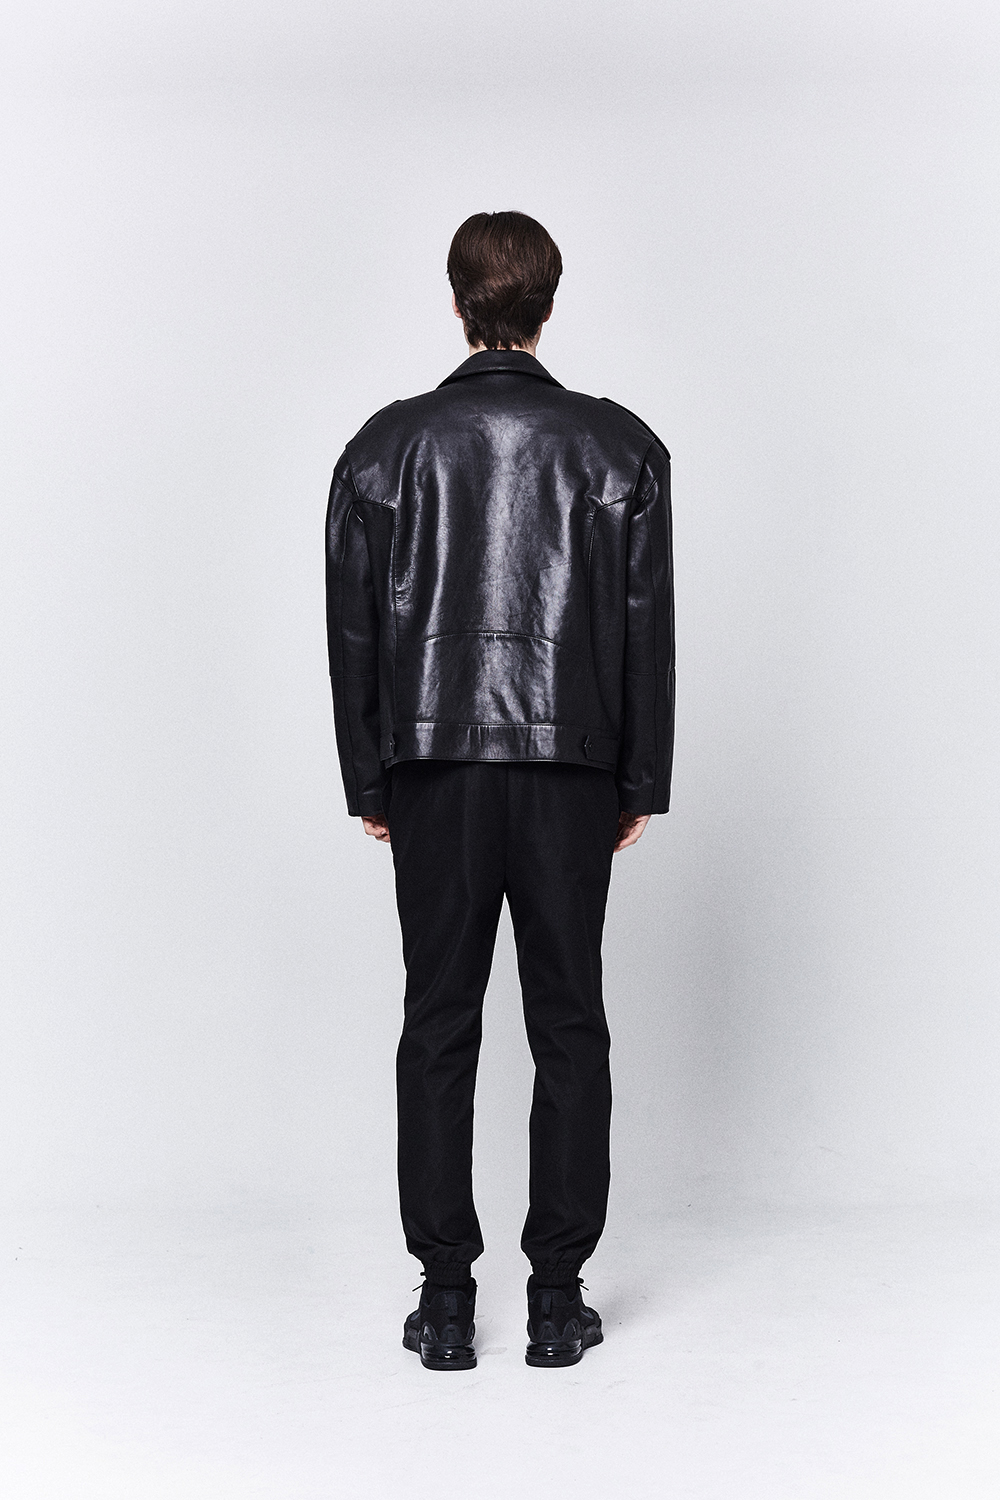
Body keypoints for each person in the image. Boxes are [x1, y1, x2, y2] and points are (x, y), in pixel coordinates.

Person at [325, 211, 674, 1370]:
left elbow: (353, 631)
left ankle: (443, 1303)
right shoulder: (619, 448)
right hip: (571, 766)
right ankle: (557, 1303)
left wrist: (371, 773)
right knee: (569, 1023)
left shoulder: (384, 448)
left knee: (438, 1024)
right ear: (547, 303)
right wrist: (637, 776)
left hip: (433, 765)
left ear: (457, 301)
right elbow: (644, 629)